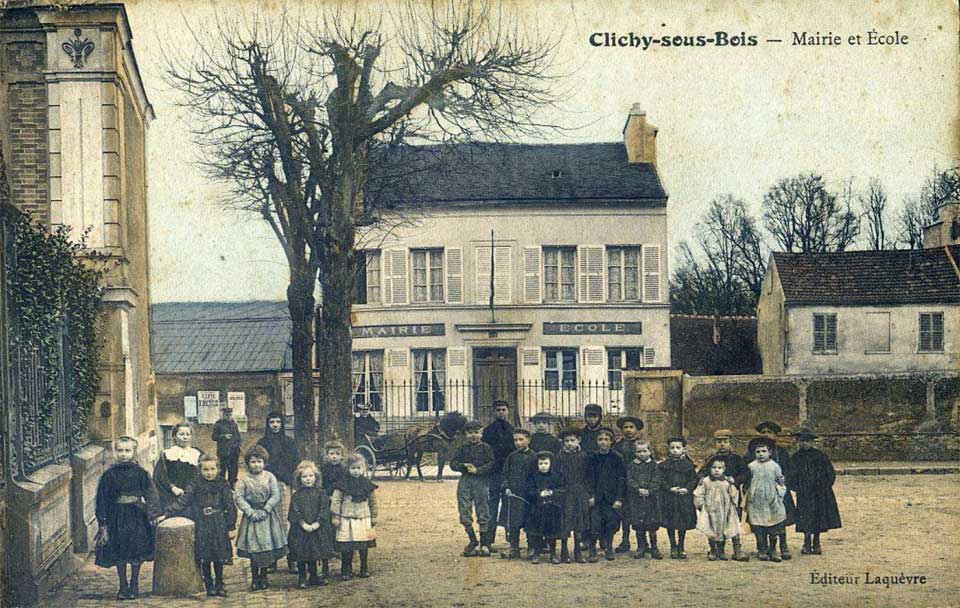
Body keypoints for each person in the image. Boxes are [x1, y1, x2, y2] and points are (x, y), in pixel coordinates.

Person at [95, 436, 162, 600]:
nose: (123, 454)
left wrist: (153, 514)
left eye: (127, 450)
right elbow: (102, 498)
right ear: (114, 452)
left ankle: (134, 584)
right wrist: (103, 522)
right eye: (120, 450)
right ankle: (123, 585)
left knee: (135, 550)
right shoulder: (109, 475)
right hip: (117, 516)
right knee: (120, 551)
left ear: (133, 452)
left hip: (137, 515)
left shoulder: (141, 473)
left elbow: (151, 493)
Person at [167, 454, 237, 596]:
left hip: (218, 522)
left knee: (218, 554)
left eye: (212, 469)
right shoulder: (195, 484)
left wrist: (231, 526)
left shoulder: (222, 484)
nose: (209, 473)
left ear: (217, 469)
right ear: (200, 470)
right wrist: (168, 512)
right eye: (205, 470)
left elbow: (230, 505)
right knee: (205, 554)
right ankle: (209, 584)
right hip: (202, 523)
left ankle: (219, 582)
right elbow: (184, 501)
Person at [235, 444, 288, 590]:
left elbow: (276, 494)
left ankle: (264, 576)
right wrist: (250, 512)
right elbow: (239, 497)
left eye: (259, 462)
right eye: (253, 462)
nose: (256, 465)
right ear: (248, 463)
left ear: (265, 463)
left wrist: (267, 509)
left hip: (267, 517)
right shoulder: (244, 480)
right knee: (254, 549)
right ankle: (254, 577)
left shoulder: (270, 477)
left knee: (266, 547)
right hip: (252, 518)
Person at [746, 420, 797, 557]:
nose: (766, 435)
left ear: (775, 435)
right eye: (763, 432)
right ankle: (762, 546)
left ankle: (783, 545)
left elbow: (789, 469)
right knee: (759, 519)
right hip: (759, 493)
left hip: (778, 491)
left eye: (770, 432)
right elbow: (746, 470)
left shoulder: (781, 452)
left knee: (780, 518)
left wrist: (784, 480)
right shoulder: (754, 452)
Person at [257, 411, 300, 572]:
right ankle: (272, 560)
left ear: (282, 425)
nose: (275, 425)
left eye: (278, 422)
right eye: (272, 422)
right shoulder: (262, 443)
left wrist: (291, 482)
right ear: (267, 424)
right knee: (270, 522)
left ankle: (292, 558)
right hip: (267, 486)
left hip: (284, 486)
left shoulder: (289, 442)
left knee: (286, 522)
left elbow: (295, 465)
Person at [790, 427, 842, 555]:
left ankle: (816, 542)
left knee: (818, 517)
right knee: (805, 517)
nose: (804, 443)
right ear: (798, 442)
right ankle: (806, 542)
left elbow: (830, 473)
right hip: (804, 493)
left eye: (807, 441)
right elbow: (791, 475)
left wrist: (824, 487)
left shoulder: (820, 456)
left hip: (819, 493)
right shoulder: (796, 457)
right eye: (802, 441)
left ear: (812, 442)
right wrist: (797, 487)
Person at [450, 420, 496, 557]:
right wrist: (463, 466)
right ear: (466, 434)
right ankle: (472, 540)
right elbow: (453, 463)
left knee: (483, 510)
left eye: (476, 432)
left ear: (481, 433)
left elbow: (492, 463)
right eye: (470, 433)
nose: (473, 435)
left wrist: (478, 470)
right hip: (465, 481)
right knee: (464, 511)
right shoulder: (462, 448)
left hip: (481, 481)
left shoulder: (486, 448)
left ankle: (484, 544)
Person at [287, 460, 336, 588]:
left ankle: (313, 576)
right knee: (302, 552)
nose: (308, 479)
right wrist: (303, 524)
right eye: (304, 477)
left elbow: (324, 509)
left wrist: (317, 523)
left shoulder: (321, 493)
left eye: (311, 476)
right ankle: (302, 577)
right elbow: (294, 511)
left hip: (316, 528)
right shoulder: (296, 495)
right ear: (299, 479)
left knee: (314, 551)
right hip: (301, 529)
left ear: (316, 477)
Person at [331, 454, 379, 580]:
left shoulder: (367, 484)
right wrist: (336, 516)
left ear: (363, 468)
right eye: (353, 468)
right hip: (346, 518)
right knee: (347, 545)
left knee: (363, 544)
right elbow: (336, 501)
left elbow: (373, 502)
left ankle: (364, 567)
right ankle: (346, 569)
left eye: (358, 468)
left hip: (364, 518)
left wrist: (374, 516)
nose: (356, 471)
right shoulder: (342, 484)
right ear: (347, 469)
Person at [693, 460, 749, 562]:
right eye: (714, 468)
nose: (716, 470)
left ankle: (722, 551)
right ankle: (713, 550)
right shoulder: (706, 481)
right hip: (711, 510)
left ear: (724, 470)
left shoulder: (727, 482)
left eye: (719, 468)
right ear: (710, 469)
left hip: (725, 510)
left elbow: (734, 494)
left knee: (725, 528)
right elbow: (699, 494)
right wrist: (700, 505)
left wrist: (733, 488)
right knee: (712, 529)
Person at [586, 427, 625, 561]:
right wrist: (590, 495)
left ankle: (609, 547)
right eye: (600, 440)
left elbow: (621, 479)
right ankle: (592, 549)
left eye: (606, 440)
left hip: (611, 497)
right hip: (596, 497)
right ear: (597, 442)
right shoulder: (592, 457)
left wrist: (619, 498)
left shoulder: (617, 458)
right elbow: (589, 478)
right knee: (594, 522)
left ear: (611, 441)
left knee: (612, 521)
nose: (603, 442)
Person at [746, 439, 787, 562]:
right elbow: (748, 482)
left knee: (773, 525)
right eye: (758, 452)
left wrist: (779, 494)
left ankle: (773, 550)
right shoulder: (752, 466)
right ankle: (762, 549)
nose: (761, 454)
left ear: (770, 453)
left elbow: (780, 481)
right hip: (757, 500)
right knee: (759, 526)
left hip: (771, 500)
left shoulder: (774, 466)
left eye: (764, 451)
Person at [498, 428, 536, 560]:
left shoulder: (534, 457)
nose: (518, 443)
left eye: (521, 439)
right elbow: (504, 474)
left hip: (529, 495)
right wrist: (506, 488)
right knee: (513, 522)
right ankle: (514, 547)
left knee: (530, 521)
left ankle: (532, 547)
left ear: (528, 440)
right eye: (515, 440)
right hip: (513, 495)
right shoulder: (512, 457)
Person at [482, 399, 514, 548]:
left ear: (508, 411)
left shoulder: (513, 430)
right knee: (492, 506)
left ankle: (511, 540)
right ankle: (488, 540)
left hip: (508, 474)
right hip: (493, 474)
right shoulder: (487, 431)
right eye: (498, 410)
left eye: (503, 410)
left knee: (509, 505)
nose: (501, 412)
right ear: (493, 412)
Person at [658, 436, 697, 559]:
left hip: (683, 498)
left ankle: (681, 545)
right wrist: (669, 488)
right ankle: (673, 546)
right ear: (668, 449)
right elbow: (661, 480)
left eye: (678, 448)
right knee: (670, 522)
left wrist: (687, 489)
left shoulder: (689, 465)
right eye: (672, 448)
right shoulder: (664, 465)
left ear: (684, 449)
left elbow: (693, 480)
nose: (675, 450)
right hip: (669, 497)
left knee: (682, 522)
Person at [624, 440, 663, 559]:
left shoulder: (654, 465)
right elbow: (629, 480)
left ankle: (654, 547)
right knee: (638, 524)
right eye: (639, 451)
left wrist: (649, 490)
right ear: (635, 453)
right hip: (636, 499)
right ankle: (641, 547)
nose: (642, 454)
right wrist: (638, 489)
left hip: (651, 499)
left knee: (651, 524)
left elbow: (657, 480)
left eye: (644, 451)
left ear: (650, 451)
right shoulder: (632, 465)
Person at [557, 427, 590, 563]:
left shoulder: (583, 456)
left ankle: (577, 551)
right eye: (566, 441)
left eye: (572, 440)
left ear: (579, 440)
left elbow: (588, 476)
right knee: (565, 522)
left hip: (580, 493)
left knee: (579, 522)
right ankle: (564, 551)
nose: (569, 443)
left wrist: (588, 493)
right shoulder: (560, 456)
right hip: (565, 493)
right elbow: (557, 475)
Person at [525, 451, 566, 564]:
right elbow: (529, 490)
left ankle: (553, 554)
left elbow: (562, 489)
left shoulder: (556, 476)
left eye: (546, 463)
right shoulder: (534, 477)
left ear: (550, 464)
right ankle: (536, 553)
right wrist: (539, 494)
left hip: (552, 508)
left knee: (551, 532)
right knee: (537, 532)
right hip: (537, 509)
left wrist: (552, 492)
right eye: (541, 463)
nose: (543, 466)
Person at [698, 429, 750, 516]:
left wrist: (735, 480)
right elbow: (703, 472)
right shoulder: (712, 458)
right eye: (719, 442)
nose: (722, 444)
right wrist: (702, 478)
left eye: (725, 442)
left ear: (730, 444)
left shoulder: (736, 459)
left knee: (732, 517)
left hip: (732, 492)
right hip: (714, 493)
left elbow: (745, 474)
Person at [153, 422, 203, 511]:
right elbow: (159, 476)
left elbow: (201, 475)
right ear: (174, 436)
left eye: (188, 434)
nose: (185, 437)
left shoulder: (197, 454)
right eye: (181, 434)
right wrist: (172, 487)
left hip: (192, 496)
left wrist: (189, 491)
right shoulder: (167, 454)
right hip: (170, 496)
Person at [613, 416, 643, 553]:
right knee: (624, 514)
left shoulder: (641, 446)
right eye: (626, 427)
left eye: (631, 427)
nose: (628, 430)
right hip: (622, 483)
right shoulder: (617, 445)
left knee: (640, 513)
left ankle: (643, 543)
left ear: (636, 430)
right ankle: (625, 540)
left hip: (638, 483)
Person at [211, 406, 242, 487]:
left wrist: (238, 446)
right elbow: (214, 437)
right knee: (222, 469)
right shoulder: (219, 424)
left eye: (230, 414)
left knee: (233, 469)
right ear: (223, 415)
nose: (228, 416)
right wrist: (224, 436)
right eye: (226, 415)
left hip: (234, 451)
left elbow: (238, 437)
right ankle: (221, 485)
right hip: (223, 452)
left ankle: (232, 484)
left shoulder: (234, 424)